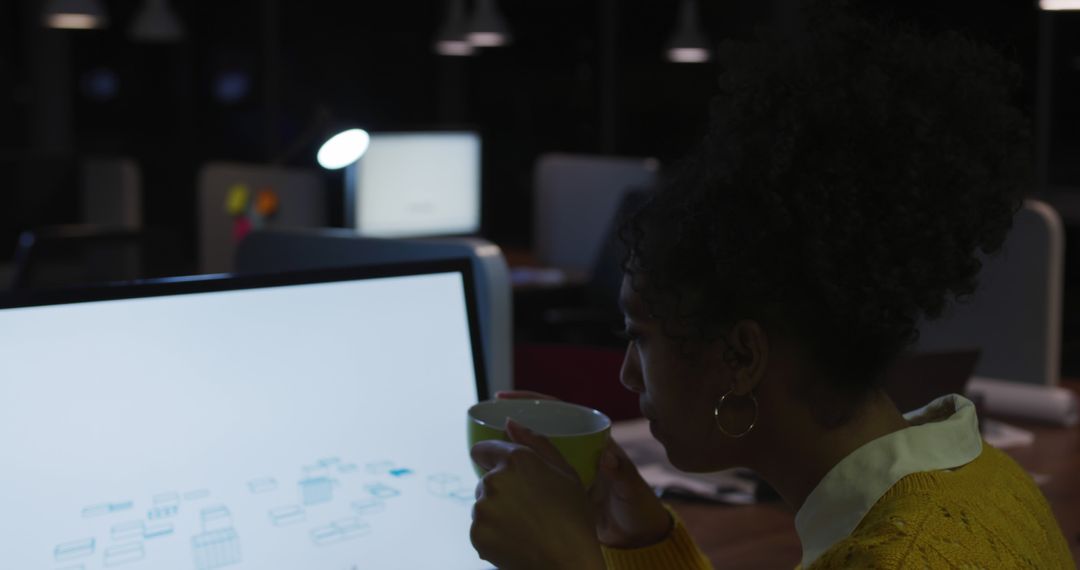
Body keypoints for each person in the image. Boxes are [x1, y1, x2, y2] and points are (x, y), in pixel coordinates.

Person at [468, 3, 1075, 569]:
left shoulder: (906, 556)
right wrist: (643, 539)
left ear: (741, 357)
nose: (628, 373)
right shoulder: (980, 477)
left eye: (641, 336)